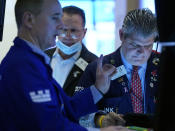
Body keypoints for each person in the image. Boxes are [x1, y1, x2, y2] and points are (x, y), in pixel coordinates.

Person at [0, 0, 132, 131]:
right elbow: (50, 125)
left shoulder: (34, 61)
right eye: (55, 18)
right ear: (29, 20)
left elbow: (66, 108)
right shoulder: (23, 66)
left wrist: (98, 89)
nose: (61, 25)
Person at [76, 8, 160, 127]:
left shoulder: (166, 67)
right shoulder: (97, 69)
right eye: (134, 45)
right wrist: (100, 120)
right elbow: (77, 113)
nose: (141, 52)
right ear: (121, 35)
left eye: (148, 46)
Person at [45, 6, 97, 96]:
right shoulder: (42, 58)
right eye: (63, 29)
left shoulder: (94, 64)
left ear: (84, 33)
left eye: (73, 30)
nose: (67, 36)